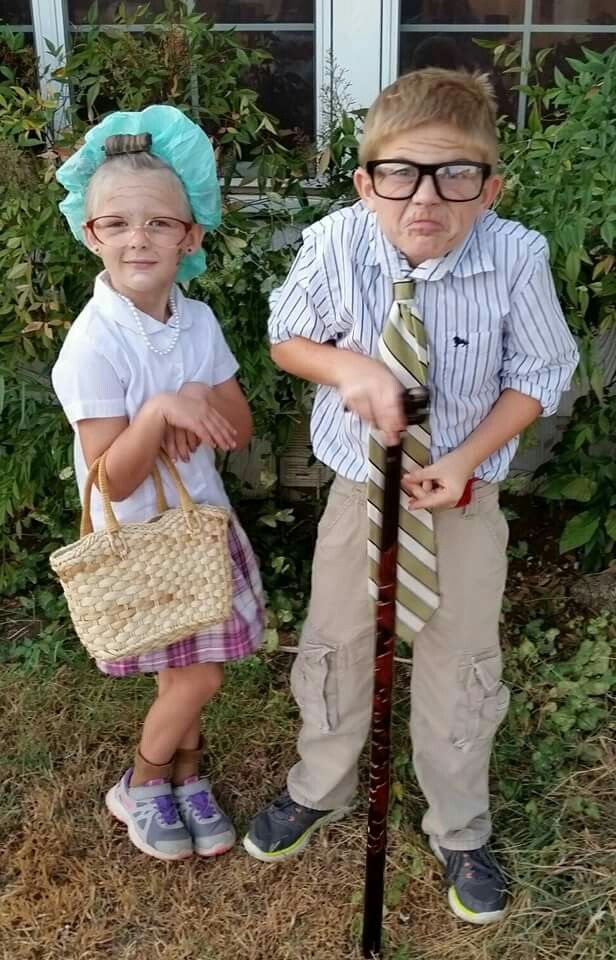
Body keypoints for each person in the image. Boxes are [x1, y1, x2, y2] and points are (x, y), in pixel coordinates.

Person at [243, 69, 578, 925]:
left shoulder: (516, 253)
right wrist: (351, 367)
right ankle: (319, 785)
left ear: (489, 186)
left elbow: (541, 372)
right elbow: (289, 335)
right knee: (338, 641)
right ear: (366, 181)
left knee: (460, 657)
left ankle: (460, 823)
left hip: (463, 495)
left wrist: (466, 458)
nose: (424, 199)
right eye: (400, 174)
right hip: (361, 486)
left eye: (454, 175)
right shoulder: (335, 241)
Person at [52, 105, 264, 862]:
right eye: (116, 224)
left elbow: (234, 429)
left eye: (159, 223)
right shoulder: (91, 345)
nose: (137, 237)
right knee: (198, 676)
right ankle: (140, 782)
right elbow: (112, 476)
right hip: (138, 540)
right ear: (91, 235)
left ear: (191, 235)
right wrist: (161, 413)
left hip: (198, 524)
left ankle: (186, 771)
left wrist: (199, 404)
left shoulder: (198, 321)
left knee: (186, 675)